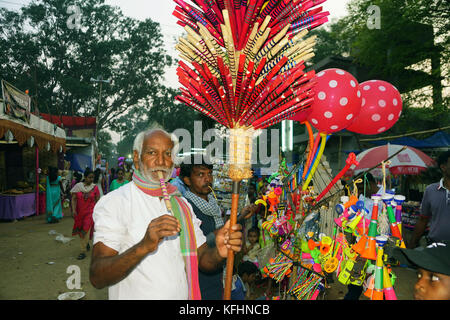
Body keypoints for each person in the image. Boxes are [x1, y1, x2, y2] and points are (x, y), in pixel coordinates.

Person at [89, 129, 243, 300]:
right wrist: (144, 246)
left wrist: (219, 252)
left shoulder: (182, 204)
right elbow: (97, 276)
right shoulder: (115, 202)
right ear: (136, 158)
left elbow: (203, 258)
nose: (161, 161)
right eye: (152, 153)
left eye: (167, 154)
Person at [179, 155, 256, 300]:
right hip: (201, 283)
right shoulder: (186, 208)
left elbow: (220, 230)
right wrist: (218, 235)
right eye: (200, 175)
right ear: (187, 180)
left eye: (209, 174)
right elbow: (197, 245)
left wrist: (239, 217)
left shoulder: (212, 203)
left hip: (218, 277)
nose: (207, 179)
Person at [409, 151, 450, 248]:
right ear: (443, 167)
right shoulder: (431, 190)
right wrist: (412, 244)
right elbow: (423, 219)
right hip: (436, 247)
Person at [71, 168, 100, 260]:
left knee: (86, 229)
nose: (91, 179)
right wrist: (74, 210)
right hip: (80, 213)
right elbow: (74, 199)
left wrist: (98, 212)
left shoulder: (95, 188)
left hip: (90, 213)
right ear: (85, 177)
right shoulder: (78, 186)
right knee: (81, 230)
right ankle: (86, 243)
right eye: (89, 177)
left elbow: (98, 201)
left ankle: (82, 251)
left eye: (92, 177)